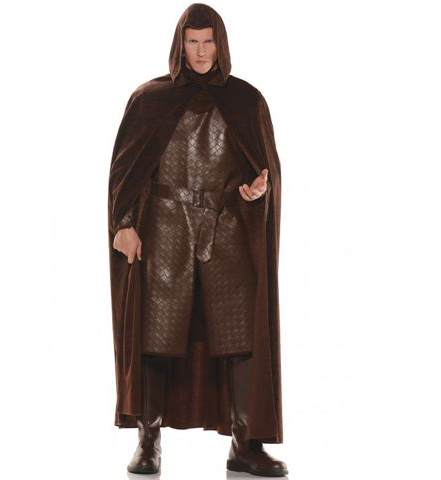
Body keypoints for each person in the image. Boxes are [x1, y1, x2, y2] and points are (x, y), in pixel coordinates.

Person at [107, 3, 288, 477]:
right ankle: (148, 442)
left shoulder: (247, 100)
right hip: (164, 228)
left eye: (208, 42)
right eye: (193, 42)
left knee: (240, 334)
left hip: (228, 229)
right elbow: (126, 171)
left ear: (220, 44)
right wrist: (123, 223)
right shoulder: (149, 99)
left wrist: (258, 191)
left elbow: (261, 170)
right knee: (155, 333)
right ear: (180, 45)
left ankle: (246, 445)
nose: (201, 52)